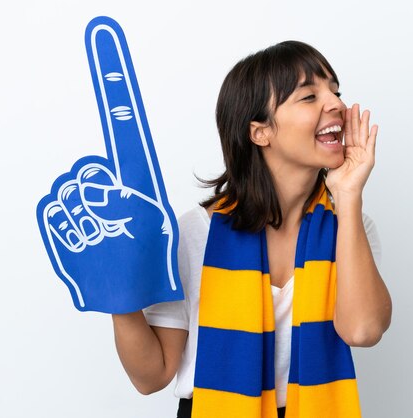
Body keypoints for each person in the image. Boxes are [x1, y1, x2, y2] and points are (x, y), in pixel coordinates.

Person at [111, 40, 392, 418]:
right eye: (309, 96)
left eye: (336, 91)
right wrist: (118, 295)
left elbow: (363, 331)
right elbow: (152, 376)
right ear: (260, 132)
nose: (336, 104)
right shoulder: (196, 234)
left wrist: (349, 194)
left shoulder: (351, 227)